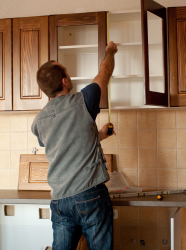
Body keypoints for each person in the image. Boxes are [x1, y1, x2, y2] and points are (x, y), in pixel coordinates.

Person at [31, 41, 118, 250]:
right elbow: (105, 72)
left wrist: (98, 136)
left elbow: (65, 142)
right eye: (67, 73)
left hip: (60, 201)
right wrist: (110, 51)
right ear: (65, 81)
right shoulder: (84, 100)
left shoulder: (38, 122)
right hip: (90, 195)